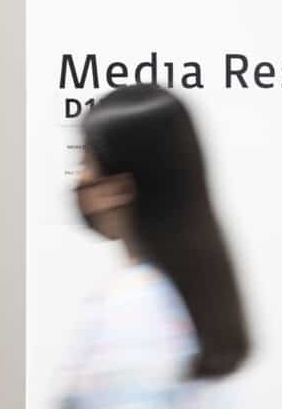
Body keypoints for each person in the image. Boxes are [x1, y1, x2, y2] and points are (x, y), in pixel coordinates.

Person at [60, 84, 251, 408]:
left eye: (86, 162)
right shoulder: (187, 299)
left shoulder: (132, 308)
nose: (78, 180)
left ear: (118, 188)